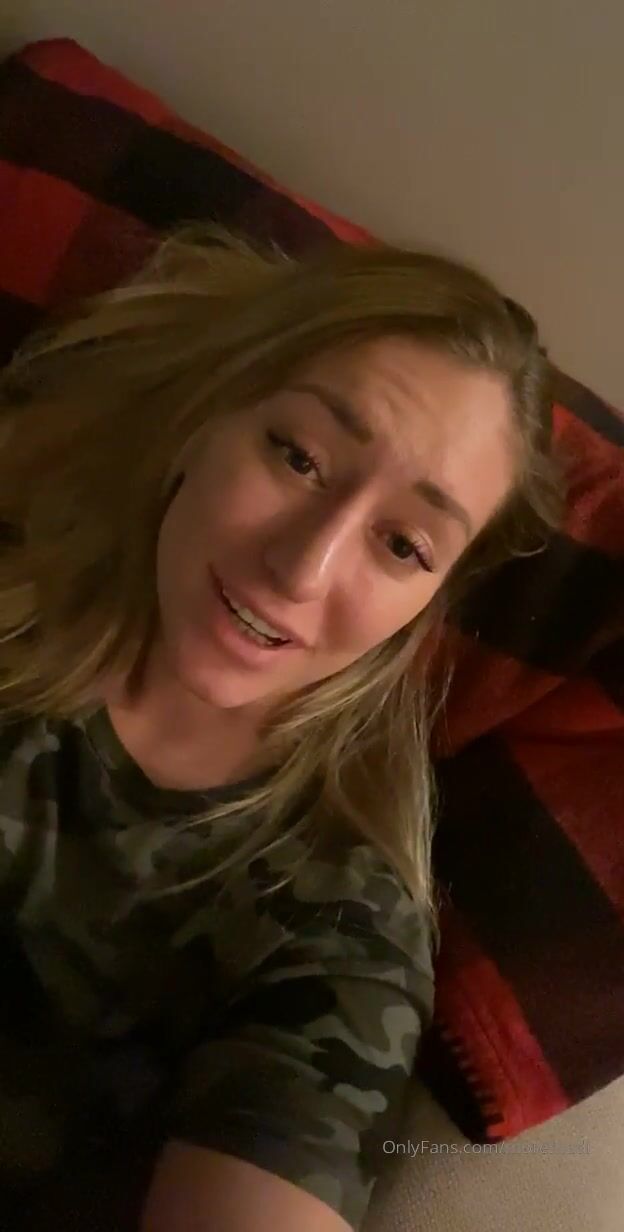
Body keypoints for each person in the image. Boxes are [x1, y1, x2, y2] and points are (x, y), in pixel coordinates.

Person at [0, 224, 565, 1231]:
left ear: (425, 605)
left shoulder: (335, 927)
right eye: (299, 456)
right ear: (210, 413)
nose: (304, 567)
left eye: (403, 543)